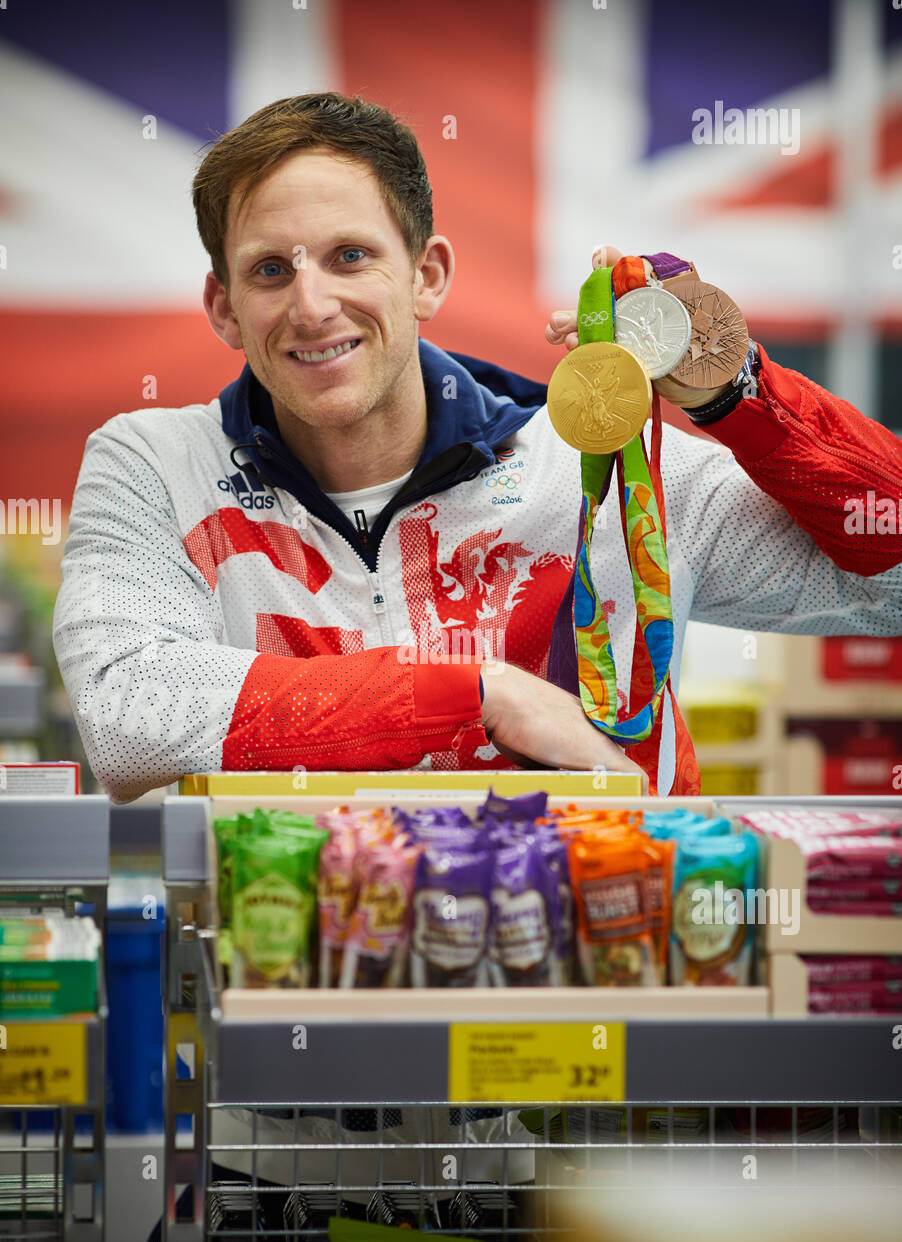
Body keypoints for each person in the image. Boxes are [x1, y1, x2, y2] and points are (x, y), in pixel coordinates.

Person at [52, 91, 902, 801]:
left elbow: (892, 582)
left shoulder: (600, 474)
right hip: (293, 989)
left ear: (427, 276)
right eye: (271, 269)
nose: (311, 306)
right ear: (224, 307)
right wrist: (481, 695)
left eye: (351, 256)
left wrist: (740, 394)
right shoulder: (154, 465)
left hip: (618, 967)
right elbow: (128, 710)